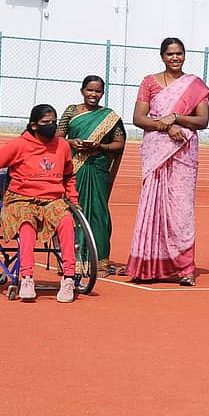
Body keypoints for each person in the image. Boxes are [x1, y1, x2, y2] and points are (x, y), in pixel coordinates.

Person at [125, 37, 209, 286]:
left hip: (183, 152)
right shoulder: (149, 82)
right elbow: (139, 118)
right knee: (152, 207)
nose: (175, 58)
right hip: (156, 151)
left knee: (181, 210)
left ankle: (184, 269)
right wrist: (166, 126)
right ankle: (147, 267)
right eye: (170, 54)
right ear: (162, 56)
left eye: (179, 53)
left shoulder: (195, 85)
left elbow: (202, 121)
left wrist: (176, 118)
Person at [0, 105, 79, 302]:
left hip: (52, 200)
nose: (51, 125)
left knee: (66, 220)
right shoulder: (18, 145)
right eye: (45, 123)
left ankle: (68, 278)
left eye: (54, 122)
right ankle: (27, 278)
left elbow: (69, 176)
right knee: (26, 222)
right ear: (33, 125)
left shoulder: (63, 146)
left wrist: (73, 199)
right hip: (20, 199)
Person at [57, 75, 126, 277]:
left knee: (98, 214)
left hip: (97, 168)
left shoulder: (110, 116)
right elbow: (58, 138)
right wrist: (72, 143)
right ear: (82, 91)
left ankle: (99, 262)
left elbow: (119, 143)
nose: (93, 94)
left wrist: (100, 146)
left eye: (97, 91)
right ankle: (73, 261)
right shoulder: (71, 111)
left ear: (102, 93)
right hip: (75, 169)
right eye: (90, 90)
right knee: (73, 211)